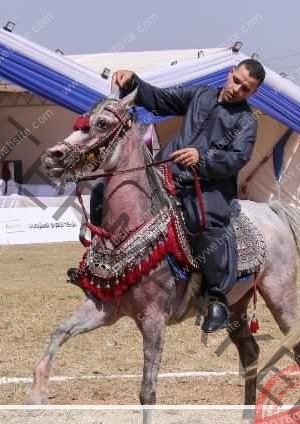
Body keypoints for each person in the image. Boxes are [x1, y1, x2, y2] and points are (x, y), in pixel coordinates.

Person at [68, 59, 265, 333]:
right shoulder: (200, 94)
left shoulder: (246, 120)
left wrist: (202, 158)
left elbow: (238, 157)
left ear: (252, 93)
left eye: (246, 88)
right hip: (164, 173)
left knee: (205, 223)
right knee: (104, 190)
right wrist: (134, 82)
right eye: (237, 80)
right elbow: (161, 100)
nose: (237, 89)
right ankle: (100, 263)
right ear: (230, 73)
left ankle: (217, 298)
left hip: (207, 186)